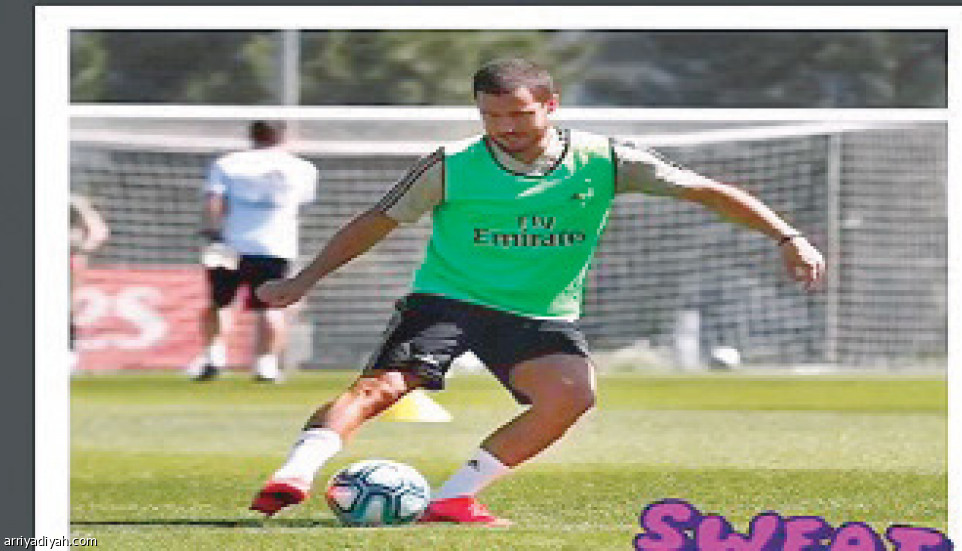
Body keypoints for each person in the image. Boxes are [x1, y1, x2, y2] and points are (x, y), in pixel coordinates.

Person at [248, 58, 825, 525]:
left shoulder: (605, 159)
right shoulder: (452, 164)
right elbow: (376, 221)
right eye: (491, 116)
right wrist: (304, 280)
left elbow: (707, 191)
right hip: (448, 299)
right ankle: (295, 473)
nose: (505, 127)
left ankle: (454, 498)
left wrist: (788, 235)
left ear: (551, 106)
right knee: (382, 388)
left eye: (519, 114)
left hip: (537, 312)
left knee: (571, 395)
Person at [188, 120, 318, 383]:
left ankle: (214, 357)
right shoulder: (302, 168)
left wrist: (213, 234)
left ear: (252, 135)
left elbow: (214, 201)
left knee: (220, 302)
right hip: (276, 247)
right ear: (284, 136)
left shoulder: (228, 164)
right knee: (270, 307)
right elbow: (302, 204)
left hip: (230, 246)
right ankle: (265, 364)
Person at [70, 193, 110, 372]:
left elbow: (99, 232)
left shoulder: (75, 202)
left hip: (71, 258)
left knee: (69, 306)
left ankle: (69, 352)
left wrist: (84, 248)